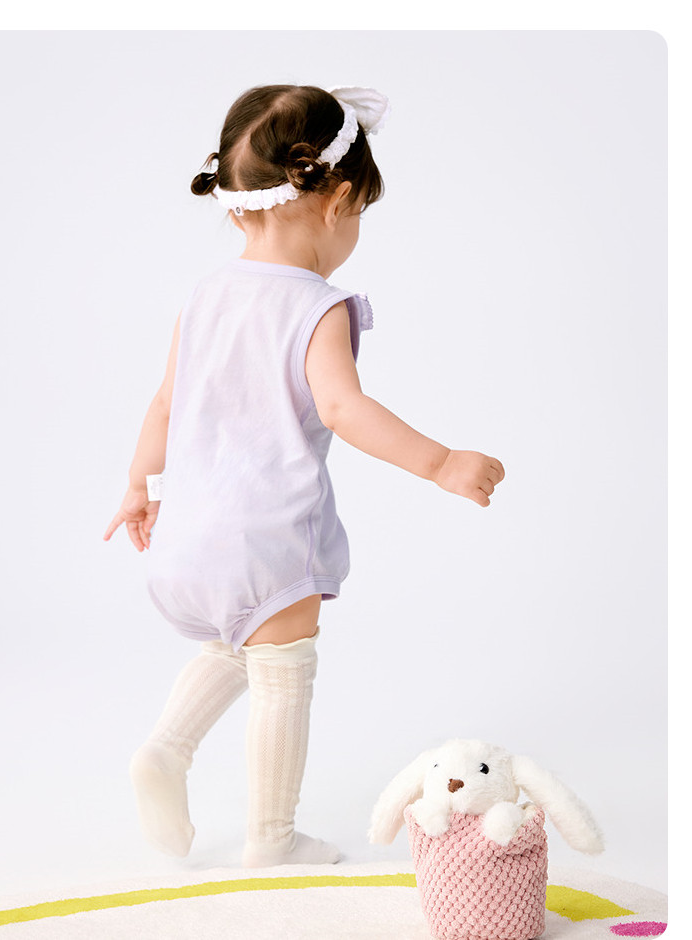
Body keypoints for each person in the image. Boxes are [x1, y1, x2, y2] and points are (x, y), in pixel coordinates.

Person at [104, 84, 505, 869]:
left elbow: (164, 403)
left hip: (186, 532)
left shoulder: (205, 295)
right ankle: (272, 837)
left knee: (235, 645)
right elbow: (343, 407)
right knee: (284, 676)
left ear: (234, 204)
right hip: (268, 534)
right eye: (360, 214)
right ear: (340, 200)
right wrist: (441, 463)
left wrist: (138, 488)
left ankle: (164, 750)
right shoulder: (319, 305)